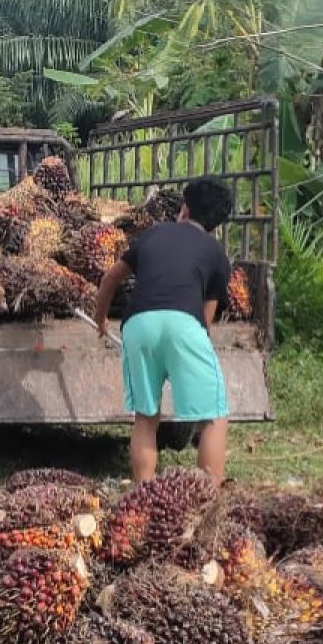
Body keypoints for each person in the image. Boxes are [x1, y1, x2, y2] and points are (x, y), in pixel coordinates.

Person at [94, 176, 234, 484]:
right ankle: (208, 499)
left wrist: (100, 319)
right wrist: (186, 353)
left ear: (184, 208)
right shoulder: (215, 252)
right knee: (212, 416)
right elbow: (205, 320)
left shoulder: (153, 234)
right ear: (217, 223)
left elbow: (109, 279)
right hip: (185, 322)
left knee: (146, 418)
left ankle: (143, 498)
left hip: (137, 323)